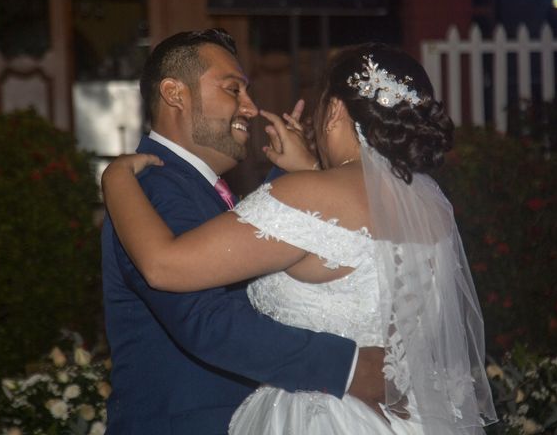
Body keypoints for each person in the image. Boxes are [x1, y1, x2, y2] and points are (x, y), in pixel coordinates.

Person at [103, 41, 498, 434]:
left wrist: (112, 177)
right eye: (233, 88)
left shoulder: (307, 195)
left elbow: (313, 230)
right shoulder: (430, 208)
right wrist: (347, 366)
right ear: (174, 93)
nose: (251, 107)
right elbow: (205, 317)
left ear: (336, 111)